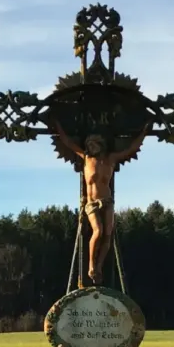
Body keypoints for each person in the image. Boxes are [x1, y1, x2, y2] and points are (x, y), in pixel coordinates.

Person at [52, 117, 151, 284]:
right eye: (88, 144)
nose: (90, 147)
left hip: (107, 201)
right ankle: (91, 265)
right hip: (91, 203)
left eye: (93, 144)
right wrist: (58, 127)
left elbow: (131, 148)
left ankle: (99, 266)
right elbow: (68, 143)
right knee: (97, 231)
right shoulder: (85, 158)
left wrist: (144, 133)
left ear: (100, 145)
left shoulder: (110, 159)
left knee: (107, 235)